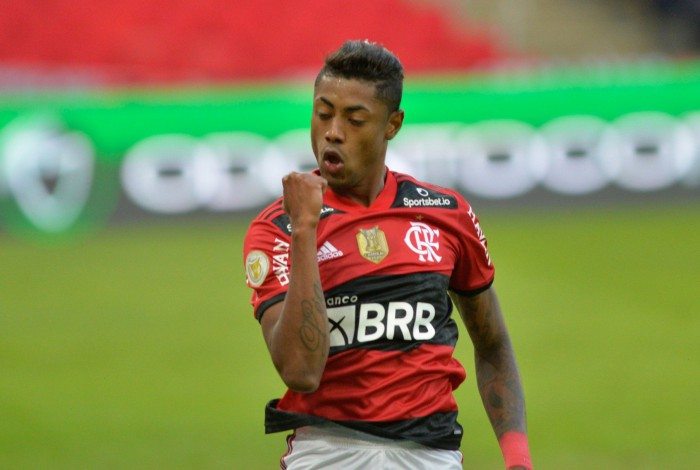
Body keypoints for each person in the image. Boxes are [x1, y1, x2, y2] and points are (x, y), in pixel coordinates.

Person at [243, 39, 532, 469]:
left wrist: (518, 459)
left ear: (392, 124)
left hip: (432, 456)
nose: (333, 131)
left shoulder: (445, 214)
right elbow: (301, 371)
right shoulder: (279, 228)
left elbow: (492, 344)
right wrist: (304, 230)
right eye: (323, 113)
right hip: (327, 453)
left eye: (354, 119)